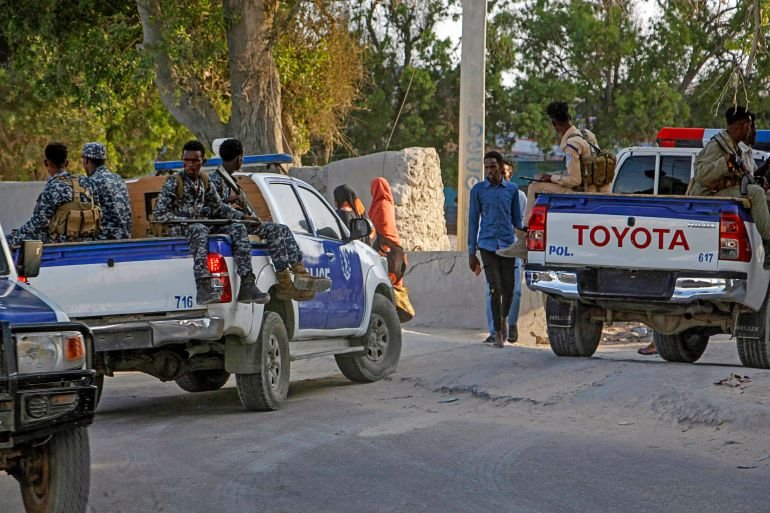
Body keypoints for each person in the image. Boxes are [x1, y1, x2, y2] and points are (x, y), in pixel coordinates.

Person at [212, 138, 331, 300]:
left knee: (279, 229)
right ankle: (286, 281)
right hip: (225, 224)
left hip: (240, 222)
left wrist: (248, 212)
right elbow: (216, 208)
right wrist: (242, 215)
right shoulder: (215, 180)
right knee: (258, 228)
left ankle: (295, 274)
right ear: (239, 158)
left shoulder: (232, 180)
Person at [152, 140, 268, 305]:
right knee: (198, 228)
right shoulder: (174, 181)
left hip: (201, 226)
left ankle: (247, 283)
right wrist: (187, 221)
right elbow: (160, 215)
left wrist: (241, 217)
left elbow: (218, 207)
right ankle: (204, 286)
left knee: (237, 228)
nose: (190, 165)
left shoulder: (204, 181)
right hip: (179, 228)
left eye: (195, 161)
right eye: (187, 160)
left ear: (202, 162)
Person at [497, 101, 601, 259]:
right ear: (569, 117)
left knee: (534, 186)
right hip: (595, 187)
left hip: (581, 190)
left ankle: (524, 236)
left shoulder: (571, 145)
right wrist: (551, 177)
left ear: (554, 124)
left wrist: (551, 178)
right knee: (541, 179)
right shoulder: (586, 135)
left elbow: (574, 179)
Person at [688, 106, 770, 266]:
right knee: (755, 193)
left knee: (763, 193)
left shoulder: (734, 146)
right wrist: (725, 162)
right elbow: (701, 174)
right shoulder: (717, 145)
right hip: (706, 197)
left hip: (722, 193)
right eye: (749, 124)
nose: (751, 130)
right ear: (742, 124)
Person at [468, 151, 523, 348]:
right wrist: (471, 252)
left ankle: (504, 318)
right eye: (487, 167)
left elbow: (517, 220)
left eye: (493, 167)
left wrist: (523, 245)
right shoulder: (478, 190)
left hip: (508, 245)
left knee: (509, 290)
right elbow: (473, 221)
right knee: (494, 288)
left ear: (501, 167)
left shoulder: (513, 190)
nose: (489, 171)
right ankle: (498, 332)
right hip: (487, 245)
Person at [7, 142, 101, 247]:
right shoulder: (85, 182)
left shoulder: (53, 187)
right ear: (66, 163)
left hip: (60, 241)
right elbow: (97, 209)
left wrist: (14, 235)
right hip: (87, 239)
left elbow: (39, 222)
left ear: (46, 163)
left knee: (10, 241)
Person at [484, 158, 526, 343]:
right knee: (492, 290)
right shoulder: (484, 193)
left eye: (506, 171)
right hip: (492, 247)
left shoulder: (519, 196)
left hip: (512, 248)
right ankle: (495, 331)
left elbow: (522, 224)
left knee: (515, 291)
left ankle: (512, 322)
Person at [81, 142, 132, 240]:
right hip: (125, 239)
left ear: (86, 160)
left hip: (104, 242)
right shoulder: (118, 179)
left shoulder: (91, 182)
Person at [369, 177, 406, 287]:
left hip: (387, 250)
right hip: (397, 249)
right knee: (397, 288)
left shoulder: (381, 206)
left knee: (385, 286)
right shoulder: (388, 204)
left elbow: (382, 228)